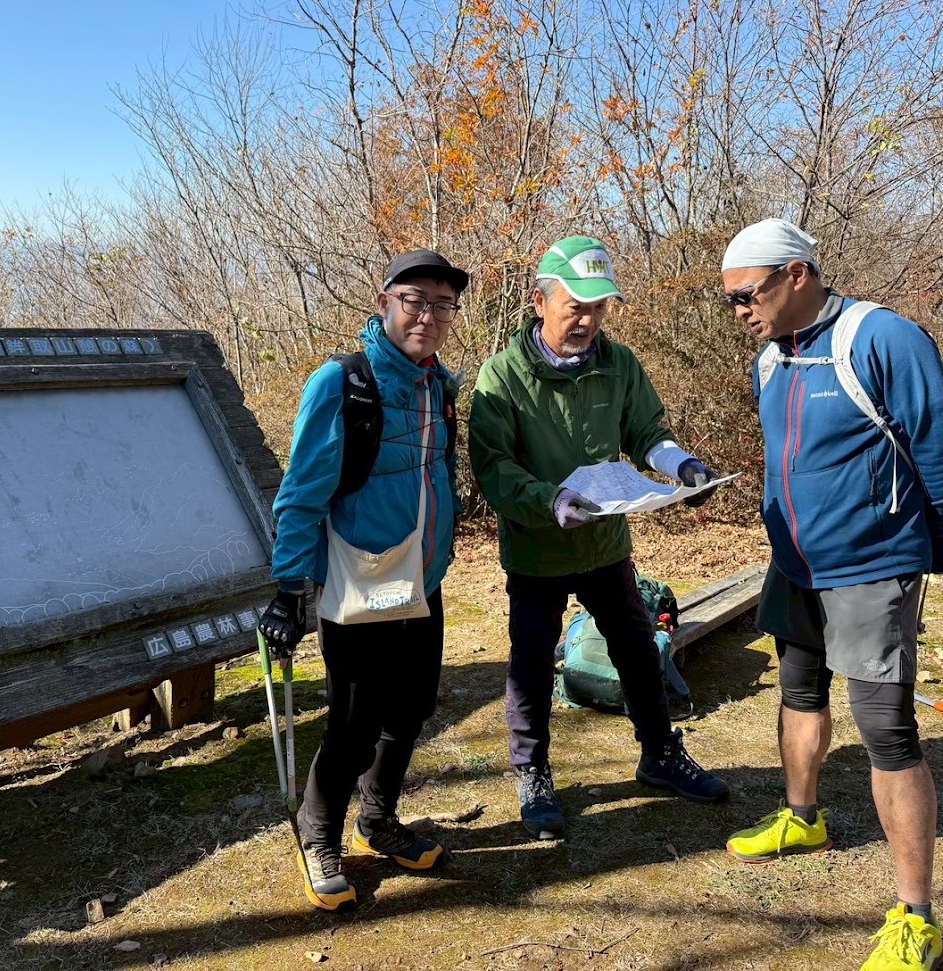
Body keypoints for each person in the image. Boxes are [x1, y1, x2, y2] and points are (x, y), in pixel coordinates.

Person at [720, 219, 943, 971]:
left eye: (748, 293)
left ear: (798, 273)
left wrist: (933, 544)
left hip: (871, 565)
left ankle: (916, 916)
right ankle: (803, 818)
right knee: (799, 691)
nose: (739, 309)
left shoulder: (883, 338)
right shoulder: (773, 356)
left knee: (887, 729)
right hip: (794, 563)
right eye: (729, 299)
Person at [468, 235, 730, 842]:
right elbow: (493, 466)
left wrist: (682, 465)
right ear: (540, 302)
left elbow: (647, 431)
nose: (588, 320)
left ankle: (659, 753)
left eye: (599, 307)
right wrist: (550, 501)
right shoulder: (503, 375)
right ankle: (531, 771)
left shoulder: (618, 363)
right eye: (575, 306)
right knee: (532, 660)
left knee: (638, 650)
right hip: (538, 546)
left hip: (605, 544)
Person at [257, 249, 467, 912]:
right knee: (352, 724)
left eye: (442, 304)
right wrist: (291, 587)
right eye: (415, 300)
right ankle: (317, 833)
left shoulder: (441, 387)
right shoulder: (342, 384)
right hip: (359, 582)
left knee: (408, 713)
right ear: (385, 303)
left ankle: (377, 822)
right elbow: (300, 496)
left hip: (421, 581)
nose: (428, 316)